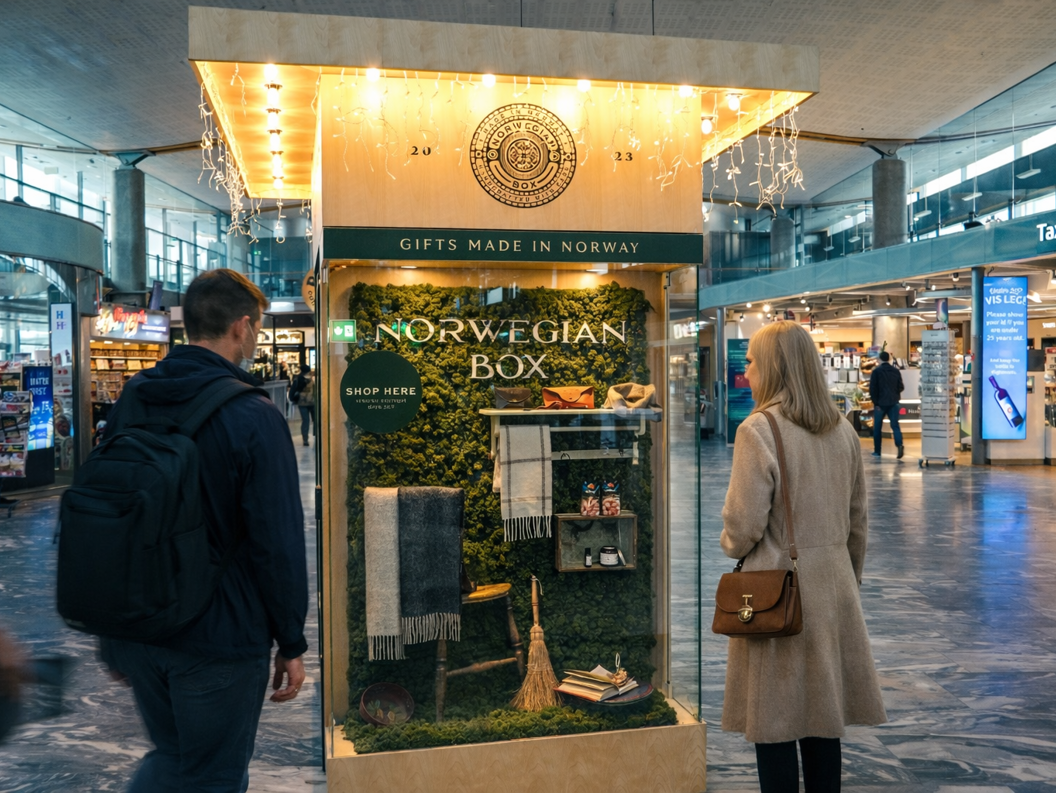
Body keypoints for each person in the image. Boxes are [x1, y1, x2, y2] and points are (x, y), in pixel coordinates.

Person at [100, 269, 308, 793]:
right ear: (241, 327)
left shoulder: (134, 398)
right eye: (257, 328)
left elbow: (110, 513)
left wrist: (112, 635)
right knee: (213, 775)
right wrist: (291, 639)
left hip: (142, 623)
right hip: (221, 634)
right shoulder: (253, 414)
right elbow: (276, 541)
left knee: (173, 758)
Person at [720, 321, 886, 793]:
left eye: (751, 361)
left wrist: (730, 546)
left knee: (775, 722)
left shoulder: (759, 429)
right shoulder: (842, 430)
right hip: (832, 586)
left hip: (777, 589)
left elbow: (743, 526)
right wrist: (845, 580)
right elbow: (858, 523)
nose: (746, 370)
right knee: (821, 719)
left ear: (772, 367)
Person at [868, 351, 905, 459]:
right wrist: (895, 395)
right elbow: (901, 387)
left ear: (879, 359)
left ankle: (877, 451)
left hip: (880, 404)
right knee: (895, 426)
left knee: (877, 428)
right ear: (889, 359)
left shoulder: (876, 372)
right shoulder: (895, 371)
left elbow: (873, 389)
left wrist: (876, 402)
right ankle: (900, 445)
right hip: (894, 402)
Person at [290, 366, 315, 447]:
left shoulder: (297, 379)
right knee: (316, 421)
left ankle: (305, 439)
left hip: (302, 403)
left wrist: (293, 399)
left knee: (305, 421)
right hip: (313, 402)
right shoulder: (313, 379)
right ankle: (317, 435)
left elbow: (292, 391)